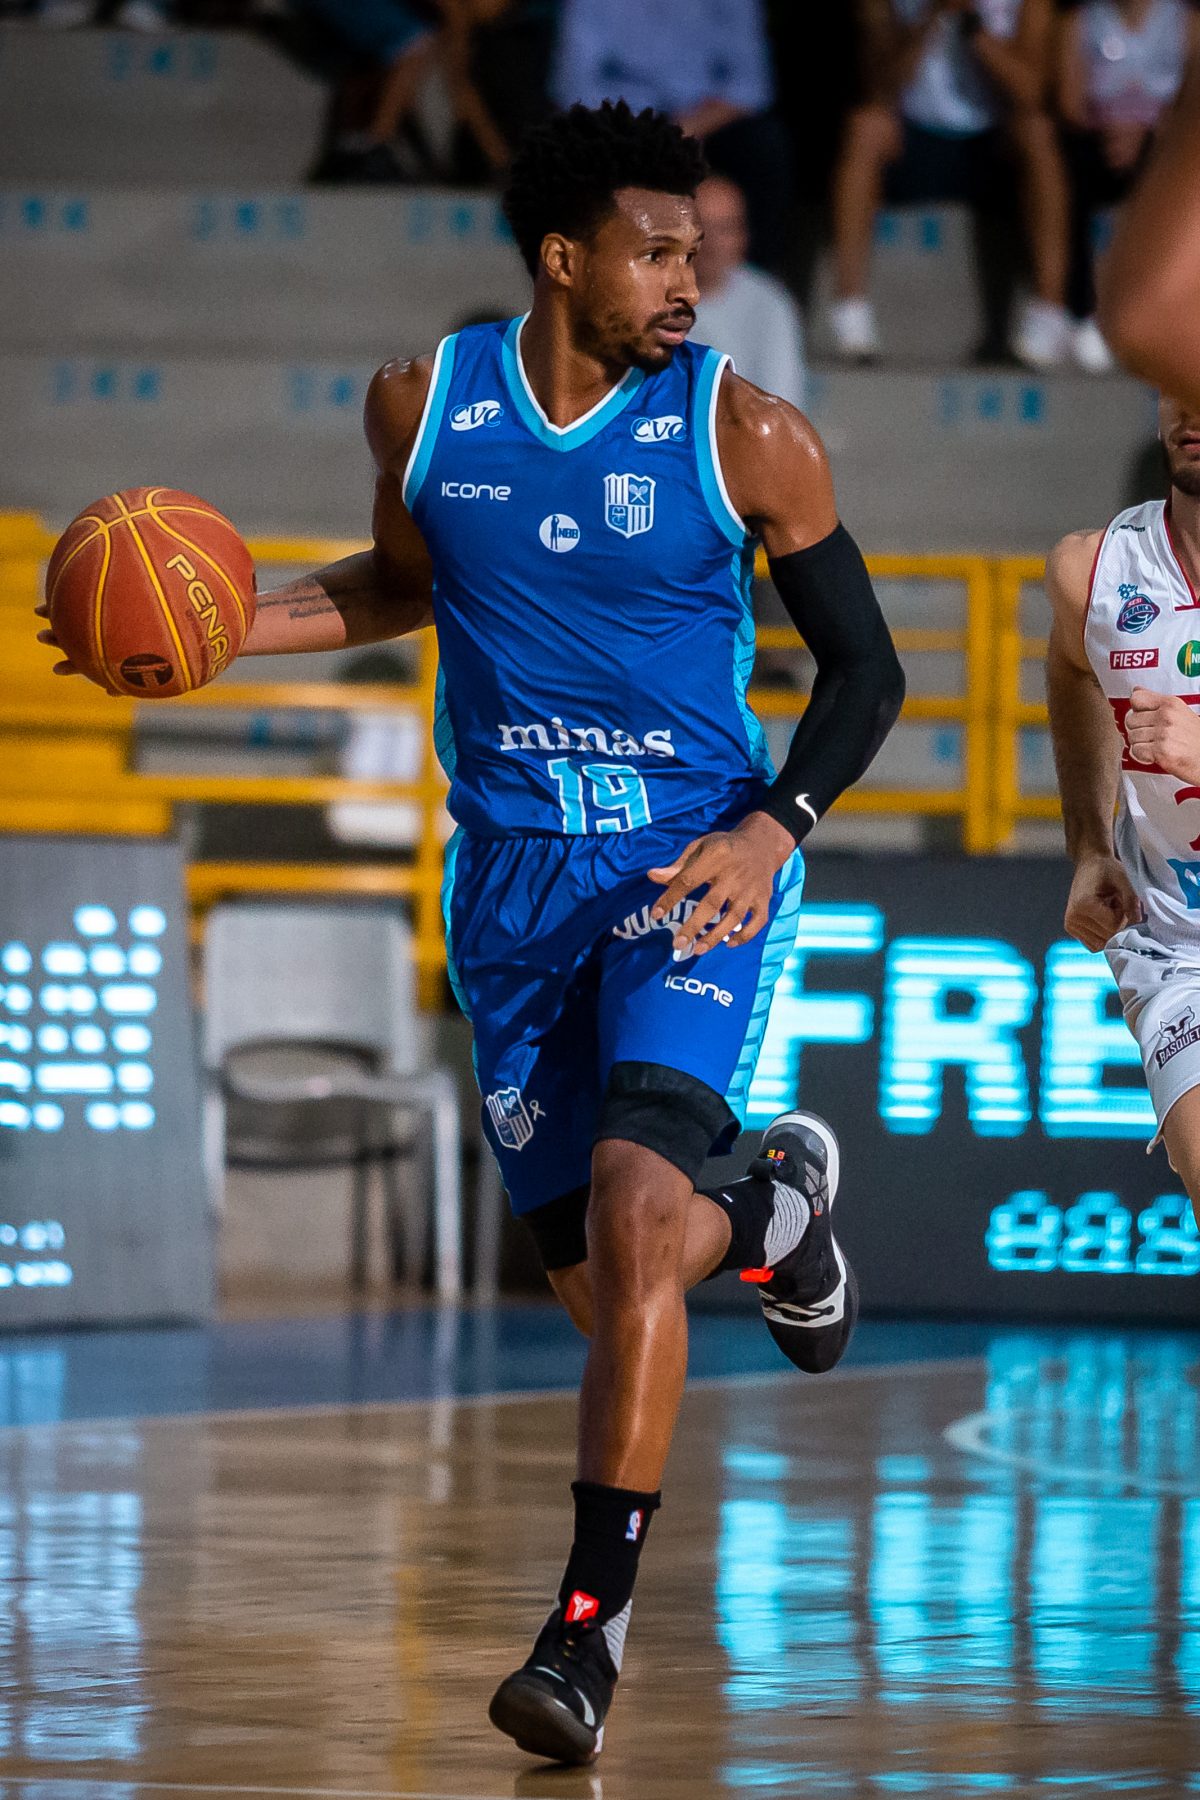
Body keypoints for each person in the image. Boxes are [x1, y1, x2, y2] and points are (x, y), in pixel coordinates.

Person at [38, 102, 905, 1763]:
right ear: (563, 258)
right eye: (658, 250)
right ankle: (777, 1210)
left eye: (698, 247)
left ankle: (583, 1638)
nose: (692, 277)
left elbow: (867, 672)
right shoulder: (423, 404)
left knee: (638, 1221)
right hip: (510, 883)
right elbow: (403, 583)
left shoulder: (749, 434)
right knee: (602, 1292)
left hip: (689, 869)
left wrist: (770, 825)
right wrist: (220, 633)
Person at [1045, 391, 1200, 1223]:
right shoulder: (1096, 571)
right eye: (1177, 385)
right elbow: (1073, 669)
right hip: (1179, 950)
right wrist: (1090, 846)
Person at [829, 0, 1071, 367]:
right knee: (866, 127)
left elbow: (1032, 90)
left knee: (1038, 132)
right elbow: (878, 87)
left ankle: (1048, 313)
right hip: (915, 140)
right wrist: (931, 17)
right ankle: (850, 310)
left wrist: (973, 27)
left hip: (992, 142)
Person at [551, 0, 793, 271]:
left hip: (705, 123)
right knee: (575, 145)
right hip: (623, 122)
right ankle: (587, 273)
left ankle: (753, 281)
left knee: (764, 145)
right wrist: (640, 132)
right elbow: (574, 87)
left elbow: (751, 86)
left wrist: (683, 129)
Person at [1056, 0, 1199, 373]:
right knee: (1068, 166)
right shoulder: (1081, 20)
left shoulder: (1188, 23)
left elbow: (1191, 110)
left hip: (1166, 144)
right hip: (1099, 141)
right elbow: (1070, 105)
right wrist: (1113, 128)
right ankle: (1080, 307)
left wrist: (1150, 135)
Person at [692, 174, 807, 409]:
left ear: (743, 236)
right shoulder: (645, 302)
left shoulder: (771, 304)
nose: (712, 243)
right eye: (701, 228)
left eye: (725, 229)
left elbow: (781, 403)